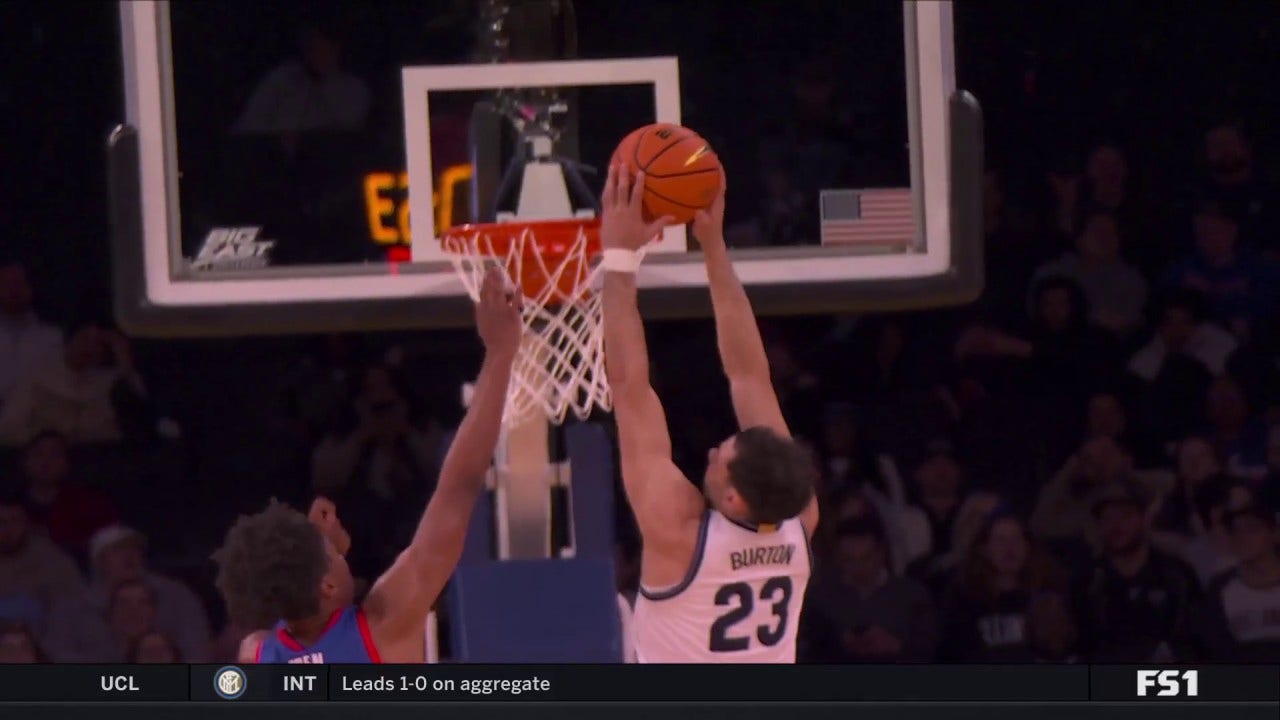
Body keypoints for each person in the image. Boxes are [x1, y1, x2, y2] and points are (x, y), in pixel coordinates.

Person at [215, 269, 520, 664]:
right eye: (333, 558)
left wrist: (317, 553)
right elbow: (459, 487)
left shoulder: (255, 654)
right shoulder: (383, 625)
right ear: (325, 586)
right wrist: (500, 353)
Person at [600, 165, 818, 663]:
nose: (714, 449)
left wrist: (619, 258)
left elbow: (632, 386)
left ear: (736, 496)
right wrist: (713, 248)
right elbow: (748, 376)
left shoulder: (679, 531)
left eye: (723, 457)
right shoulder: (797, 519)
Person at [1077, 481, 1201, 662]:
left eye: (1125, 516)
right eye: (1107, 518)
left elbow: (1193, 642)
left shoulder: (1176, 574)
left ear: (1143, 518)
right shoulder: (1087, 580)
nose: (1115, 526)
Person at [800, 517, 938, 663]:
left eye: (866, 558)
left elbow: (930, 651)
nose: (859, 567)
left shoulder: (912, 596)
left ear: (881, 553)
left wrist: (896, 647)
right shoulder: (820, 599)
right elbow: (806, 650)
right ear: (838, 558)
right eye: (849, 559)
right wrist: (837, 644)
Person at [939, 511, 1067, 662]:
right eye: (1000, 540)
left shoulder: (1048, 593)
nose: (1009, 548)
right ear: (984, 549)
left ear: (1028, 547)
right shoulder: (963, 597)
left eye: (1016, 539)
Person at [1198, 502, 1280, 661]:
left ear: (1275, 534)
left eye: (1252, 529)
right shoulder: (1220, 589)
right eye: (1236, 531)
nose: (1243, 537)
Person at [0, 260, 63, 411]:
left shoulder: (53, 338)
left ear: (31, 288)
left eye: (18, 283)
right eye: (6, 284)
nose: (13, 290)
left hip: (38, 423)